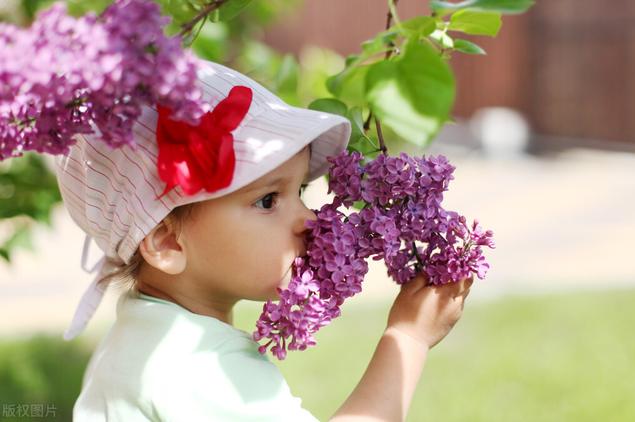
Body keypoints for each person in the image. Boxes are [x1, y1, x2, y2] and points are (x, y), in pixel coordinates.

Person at [55, 57, 473, 422]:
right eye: (269, 199)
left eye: (301, 192)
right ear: (168, 243)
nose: (309, 219)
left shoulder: (141, 340)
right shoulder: (197, 367)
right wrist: (407, 339)